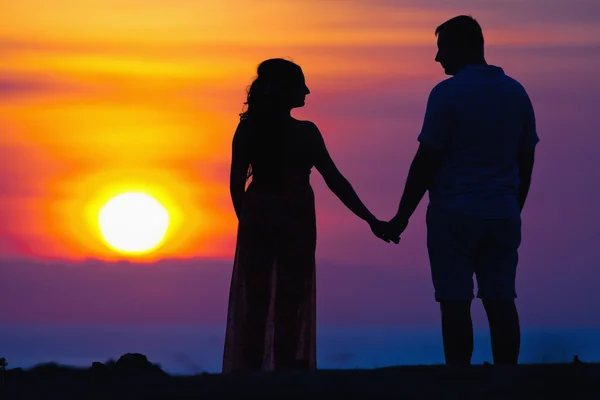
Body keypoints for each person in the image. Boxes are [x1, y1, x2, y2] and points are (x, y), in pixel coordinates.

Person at [222, 58, 396, 373]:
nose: (307, 90)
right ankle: (285, 370)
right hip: (294, 219)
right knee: (291, 298)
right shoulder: (304, 132)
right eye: (301, 83)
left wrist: (246, 222)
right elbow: (336, 181)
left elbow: (236, 186)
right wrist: (371, 220)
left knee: (257, 300)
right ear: (285, 89)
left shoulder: (248, 129)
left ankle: (249, 374)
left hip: (260, 215)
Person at [385, 15, 539, 365]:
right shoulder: (516, 92)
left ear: (464, 46)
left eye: (442, 49)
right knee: (501, 300)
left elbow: (426, 160)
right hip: (501, 212)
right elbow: (526, 159)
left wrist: (401, 217)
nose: (438, 59)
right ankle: (507, 379)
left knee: (454, 301)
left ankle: (460, 378)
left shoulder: (446, 94)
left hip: (452, 213)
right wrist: (514, 206)